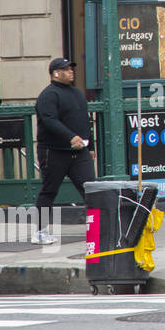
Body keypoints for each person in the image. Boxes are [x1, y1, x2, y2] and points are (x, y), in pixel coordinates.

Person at [32, 58, 95, 244]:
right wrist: (70, 137)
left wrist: (90, 147)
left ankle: (98, 229)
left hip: (79, 152)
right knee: (49, 191)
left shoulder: (77, 93)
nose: (71, 72)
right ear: (55, 73)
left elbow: (85, 120)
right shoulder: (48, 95)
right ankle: (40, 232)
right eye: (66, 69)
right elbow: (50, 121)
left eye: (71, 68)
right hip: (54, 152)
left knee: (91, 190)